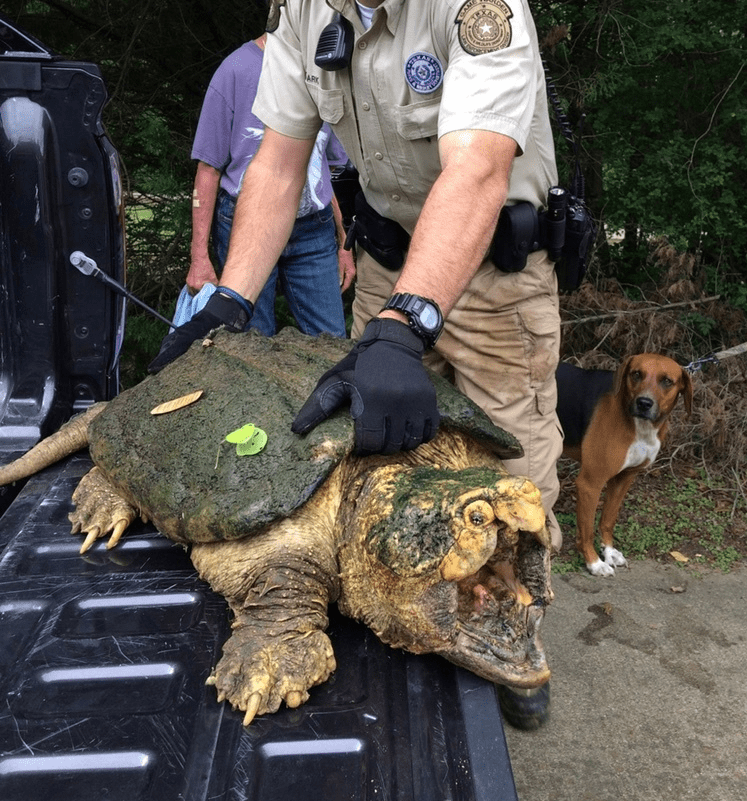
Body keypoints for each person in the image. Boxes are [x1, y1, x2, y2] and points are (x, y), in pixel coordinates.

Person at [149, 0, 561, 727]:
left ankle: (509, 636)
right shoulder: (304, 13)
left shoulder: (476, 8)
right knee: (367, 458)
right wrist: (228, 301)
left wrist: (403, 330)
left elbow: (476, 170)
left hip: (495, 278)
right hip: (386, 265)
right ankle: (397, 612)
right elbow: (276, 165)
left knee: (507, 463)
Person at [184, 31, 355, 337]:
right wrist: (199, 258)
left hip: (313, 227)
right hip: (245, 221)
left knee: (331, 339)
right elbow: (208, 169)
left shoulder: (326, 72)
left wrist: (344, 244)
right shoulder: (236, 69)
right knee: (251, 337)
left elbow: (325, 167)